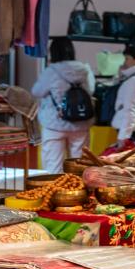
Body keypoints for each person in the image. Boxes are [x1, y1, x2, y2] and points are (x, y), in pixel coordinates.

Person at [31, 37, 95, 173]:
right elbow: (91, 90)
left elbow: (37, 91)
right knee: (79, 165)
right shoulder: (84, 69)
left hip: (54, 124)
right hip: (80, 123)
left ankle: (56, 192)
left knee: (53, 166)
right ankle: (78, 191)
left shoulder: (51, 71)